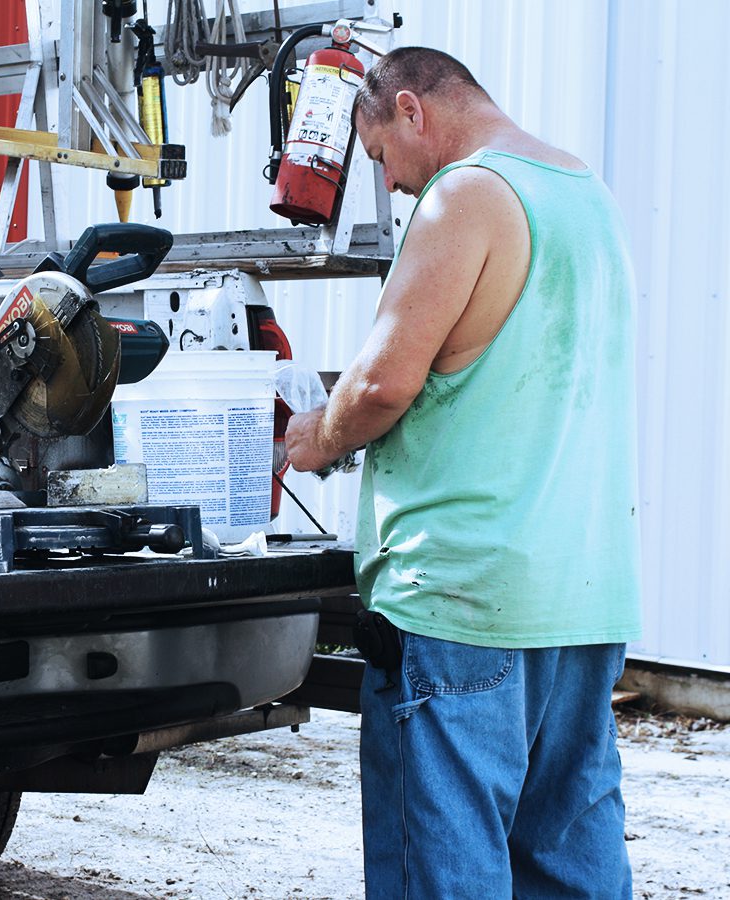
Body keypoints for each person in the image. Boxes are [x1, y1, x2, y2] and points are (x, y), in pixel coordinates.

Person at [285, 47, 642, 899]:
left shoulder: (466, 196)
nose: (394, 185)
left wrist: (312, 440)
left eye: (379, 160)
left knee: (445, 872)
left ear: (410, 110)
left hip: (462, 600)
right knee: (567, 856)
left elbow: (380, 382)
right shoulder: (585, 196)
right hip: (582, 599)